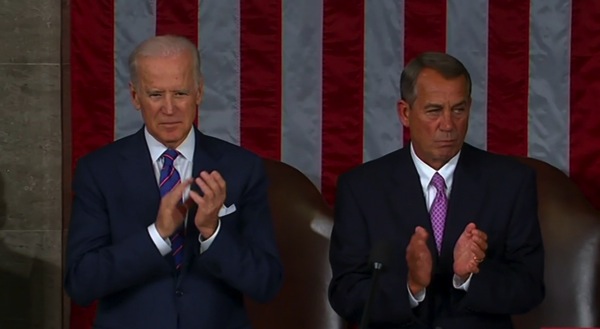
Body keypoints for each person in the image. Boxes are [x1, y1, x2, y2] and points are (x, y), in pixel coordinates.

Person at [65, 35, 283, 329]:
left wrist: (211, 232)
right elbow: (81, 283)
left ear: (199, 92)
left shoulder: (241, 168)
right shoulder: (99, 171)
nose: (169, 109)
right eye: (155, 94)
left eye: (180, 93)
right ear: (135, 96)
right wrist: (158, 234)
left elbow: (266, 283)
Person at [328, 52, 544, 329]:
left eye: (458, 109)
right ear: (405, 113)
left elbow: (529, 288)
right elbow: (346, 293)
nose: (448, 125)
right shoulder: (361, 188)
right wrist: (411, 286)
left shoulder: (511, 183)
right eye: (434, 110)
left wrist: (467, 279)